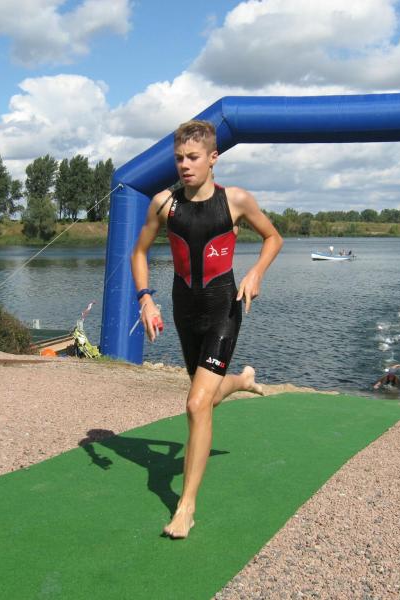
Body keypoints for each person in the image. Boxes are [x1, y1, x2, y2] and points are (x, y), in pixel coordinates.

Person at [131, 119, 283, 539]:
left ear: (213, 158)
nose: (184, 165)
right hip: (184, 311)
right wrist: (145, 298)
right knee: (206, 397)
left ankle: (186, 507)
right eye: (179, 158)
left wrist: (256, 273)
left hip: (223, 310)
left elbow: (273, 238)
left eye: (193, 157)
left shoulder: (235, 201)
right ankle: (242, 381)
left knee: (197, 404)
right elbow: (139, 252)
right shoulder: (164, 204)